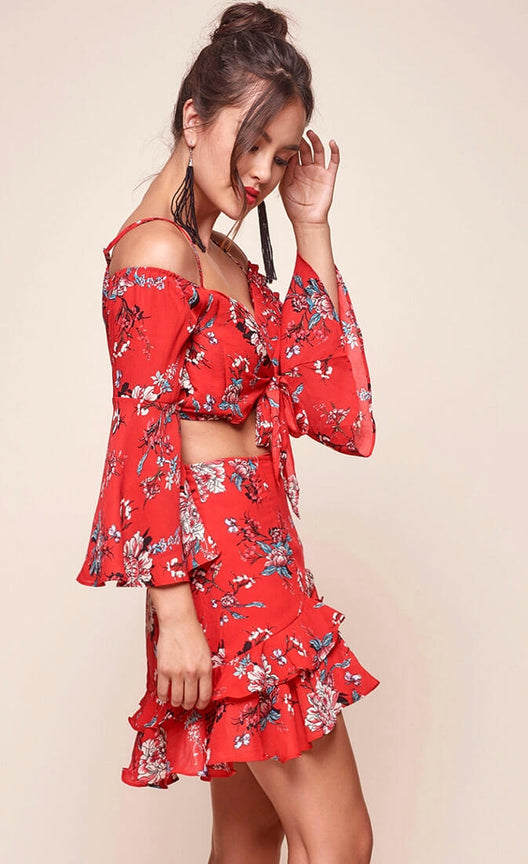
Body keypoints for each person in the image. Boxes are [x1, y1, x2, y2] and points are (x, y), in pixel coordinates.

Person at [77, 2, 380, 861]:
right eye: (251, 143)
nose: (261, 174)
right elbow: (140, 436)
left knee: (249, 835)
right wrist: (173, 610)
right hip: (220, 565)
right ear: (193, 118)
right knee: (340, 843)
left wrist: (310, 225)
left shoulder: (229, 260)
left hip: (262, 546)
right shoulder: (155, 254)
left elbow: (330, 403)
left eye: (279, 155)